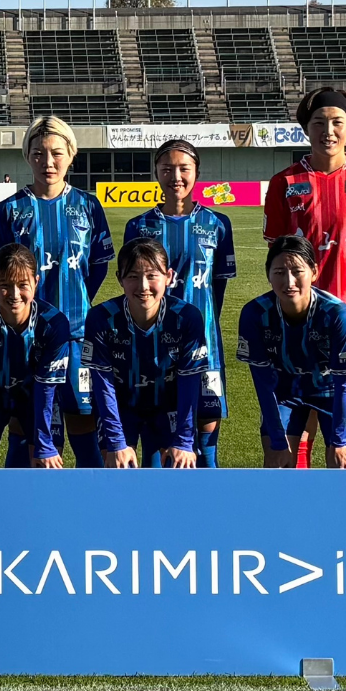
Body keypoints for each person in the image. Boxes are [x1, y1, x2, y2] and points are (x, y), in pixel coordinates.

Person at [263, 86, 346, 577]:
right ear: (306, 128)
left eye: (337, 121)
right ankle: (304, 537)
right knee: (300, 427)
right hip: (299, 327)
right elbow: (279, 256)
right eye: (319, 122)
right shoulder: (285, 184)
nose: (328, 130)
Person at [0, 115, 113, 468]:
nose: (48, 162)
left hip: (76, 334)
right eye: (38, 153)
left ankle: (90, 498)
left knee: (83, 422)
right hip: (23, 340)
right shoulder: (10, 210)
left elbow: (98, 268)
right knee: (25, 428)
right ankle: (19, 500)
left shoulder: (88, 206)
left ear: (71, 155)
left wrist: (75, 300)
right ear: (27, 156)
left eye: (57, 153)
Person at [123, 139, 236, 468]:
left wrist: (203, 323)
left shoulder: (218, 224)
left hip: (204, 346)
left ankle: (206, 496)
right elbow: (132, 286)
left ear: (197, 172)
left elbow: (217, 287)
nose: (176, 176)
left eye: (184, 168)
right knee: (158, 439)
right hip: (153, 349)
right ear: (156, 172)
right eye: (167, 168)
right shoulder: (139, 227)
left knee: (206, 438)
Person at [237, 236, 346, 475]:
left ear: (314, 272)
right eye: (279, 272)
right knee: (277, 466)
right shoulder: (254, 314)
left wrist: (339, 443)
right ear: (268, 274)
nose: (289, 282)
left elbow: (344, 383)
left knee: (342, 467)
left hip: (333, 389)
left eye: (297, 271)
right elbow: (263, 383)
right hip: (285, 390)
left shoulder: (339, 316)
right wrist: (278, 442)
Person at [83, 239, 209, 469]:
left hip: (169, 404)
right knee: (117, 468)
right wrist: (116, 442)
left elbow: (190, 382)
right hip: (121, 406)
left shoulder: (187, 318)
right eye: (133, 276)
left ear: (168, 277)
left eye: (152, 276)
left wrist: (183, 440)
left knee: (178, 467)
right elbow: (103, 384)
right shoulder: (100, 318)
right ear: (120, 278)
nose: (143, 286)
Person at [0, 244, 72, 469]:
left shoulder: (54, 324)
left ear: (36, 282)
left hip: (35, 396)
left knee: (46, 464)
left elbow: (46, 389)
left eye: (23, 285)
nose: (15, 294)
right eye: (5, 286)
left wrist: (44, 444)